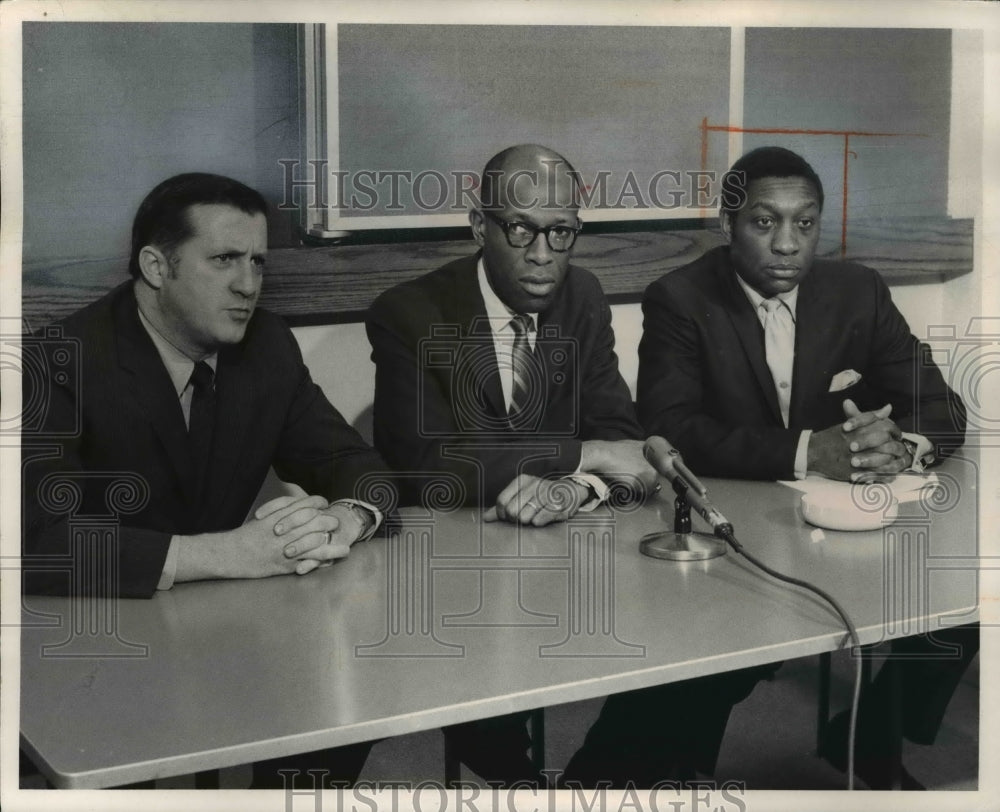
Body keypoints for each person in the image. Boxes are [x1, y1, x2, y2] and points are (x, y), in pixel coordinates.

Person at [366, 144, 773, 788]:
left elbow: (621, 435)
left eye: (561, 231)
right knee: (488, 692)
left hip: (561, 552)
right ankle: (524, 783)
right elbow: (427, 466)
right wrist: (582, 456)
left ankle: (593, 786)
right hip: (452, 573)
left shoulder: (582, 296)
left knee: (701, 642)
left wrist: (572, 490)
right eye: (520, 229)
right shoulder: (407, 313)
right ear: (479, 226)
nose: (541, 253)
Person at [22, 172, 394, 788]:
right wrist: (225, 553)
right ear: (156, 266)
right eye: (223, 259)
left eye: (257, 262)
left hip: (217, 631)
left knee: (359, 681)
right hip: (94, 641)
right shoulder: (57, 360)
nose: (248, 285)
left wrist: (343, 520)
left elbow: (359, 465)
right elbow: (32, 538)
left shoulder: (266, 344)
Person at [636, 145, 975, 789]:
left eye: (806, 222)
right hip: (738, 529)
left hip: (844, 521)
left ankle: (872, 735)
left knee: (964, 603)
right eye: (764, 223)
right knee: (721, 666)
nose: (788, 243)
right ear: (727, 226)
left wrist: (902, 446)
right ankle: (672, 777)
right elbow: (670, 427)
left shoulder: (859, 291)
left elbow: (940, 407)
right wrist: (807, 451)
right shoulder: (678, 298)